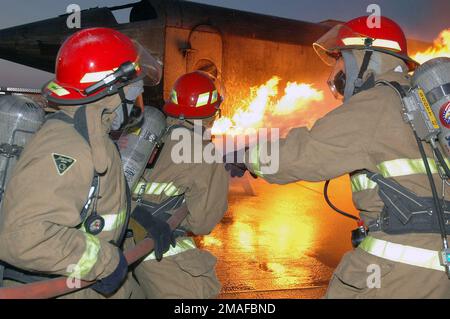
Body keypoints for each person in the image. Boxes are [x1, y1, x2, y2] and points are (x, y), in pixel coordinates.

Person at [227, 16, 450, 298]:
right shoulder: (419, 106)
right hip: (435, 267)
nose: (337, 70)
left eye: (340, 58)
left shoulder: (375, 104)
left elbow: (302, 154)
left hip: (398, 270)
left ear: (365, 57)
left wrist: (248, 156)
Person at [0, 27, 162, 299]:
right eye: (132, 91)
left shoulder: (93, 134)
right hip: (63, 289)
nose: (136, 99)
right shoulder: (67, 146)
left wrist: (144, 219)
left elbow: (97, 203)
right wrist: (105, 261)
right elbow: (23, 236)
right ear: (107, 91)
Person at [130, 71, 229, 298]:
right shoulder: (204, 152)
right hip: (161, 254)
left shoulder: (152, 134)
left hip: (124, 245)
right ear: (213, 112)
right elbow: (202, 222)